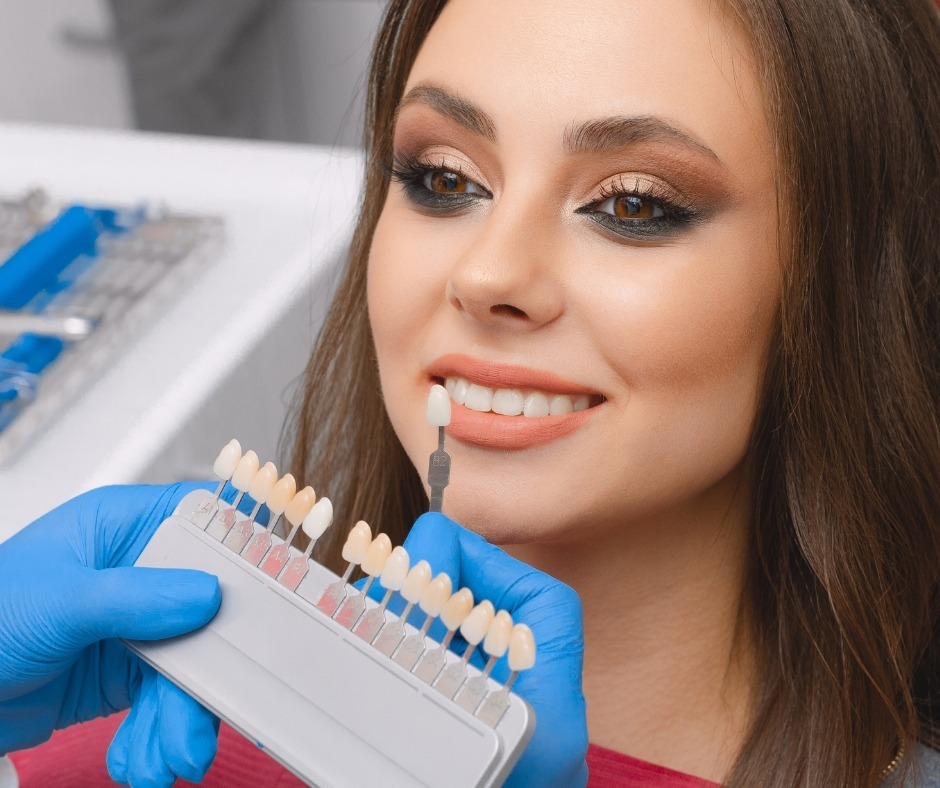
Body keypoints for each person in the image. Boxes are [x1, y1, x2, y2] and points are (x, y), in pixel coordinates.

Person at [2, 0, 938, 785]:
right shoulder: (102, 754)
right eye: (444, 179)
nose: (488, 273)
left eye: (634, 204)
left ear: (849, 288)